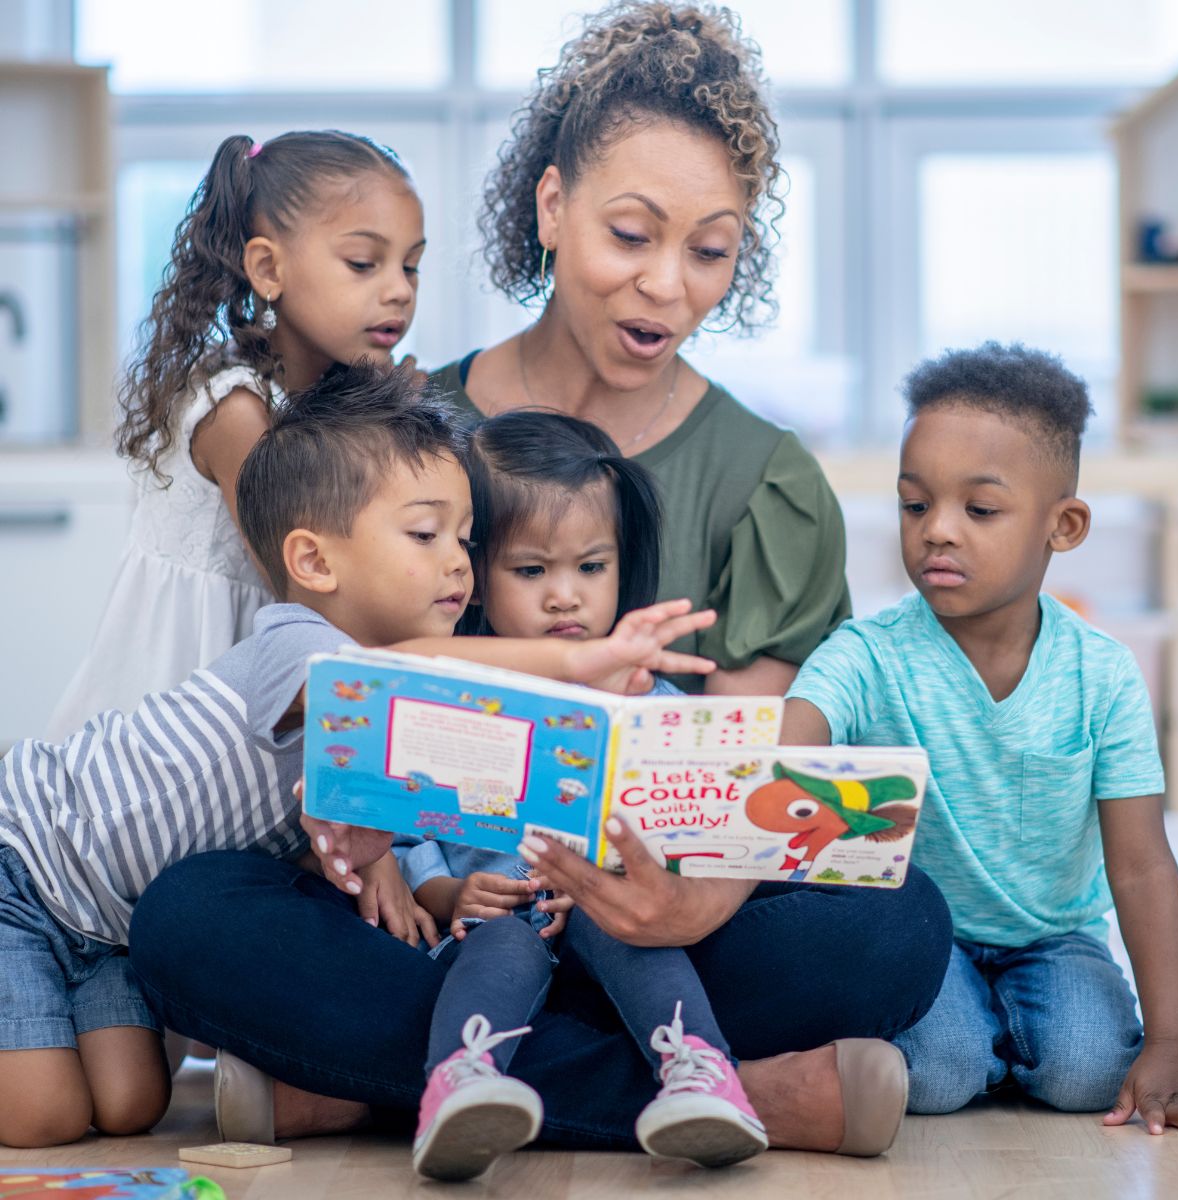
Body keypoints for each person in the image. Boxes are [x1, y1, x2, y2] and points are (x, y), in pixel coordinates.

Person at [0, 364, 713, 1151]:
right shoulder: (293, 646)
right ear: (313, 563)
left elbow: (345, 819)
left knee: (131, 1105)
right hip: (23, 863)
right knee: (42, 1119)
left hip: (107, 927)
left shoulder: (384, 721)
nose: (458, 564)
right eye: (424, 535)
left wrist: (374, 863)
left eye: (466, 540)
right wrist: (583, 664)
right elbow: (386, 686)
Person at [780, 342, 1178, 1136]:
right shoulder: (867, 654)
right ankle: (981, 1039)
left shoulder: (1103, 676)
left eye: (979, 510)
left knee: (1089, 1075)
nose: (937, 531)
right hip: (922, 939)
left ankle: (1009, 1036)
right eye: (914, 505)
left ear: (1063, 526)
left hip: (1054, 938)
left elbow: (1142, 863)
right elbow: (790, 741)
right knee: (936, 1077)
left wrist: (1175, 1041)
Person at [392, 411, 775, 1179]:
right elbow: (404, 829)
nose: (566, 598)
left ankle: (702, 1077)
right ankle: (461, 1085)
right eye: (531, 572)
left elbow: (696, 829)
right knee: (495, 944)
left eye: (591, 568)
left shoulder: (658, 702)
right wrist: (448, 891)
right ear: (472, 574)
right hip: (507, 911)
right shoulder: (453, 697)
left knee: (635, 934)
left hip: (613, 915)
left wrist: (650, 879)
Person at [429, 1, 850, 696]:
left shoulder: (772, 492)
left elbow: (740, 774)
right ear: (553, 208)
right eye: (630, 234)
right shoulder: (406, 434)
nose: (666, 284)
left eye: (710, 250)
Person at [47, 129, 425, 739]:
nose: (400, 289)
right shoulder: (238, 411)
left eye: (411, 266)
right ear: (269, 268)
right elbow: (313, 590)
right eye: (364, 263)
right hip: (176, 722)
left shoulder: (321, 395)